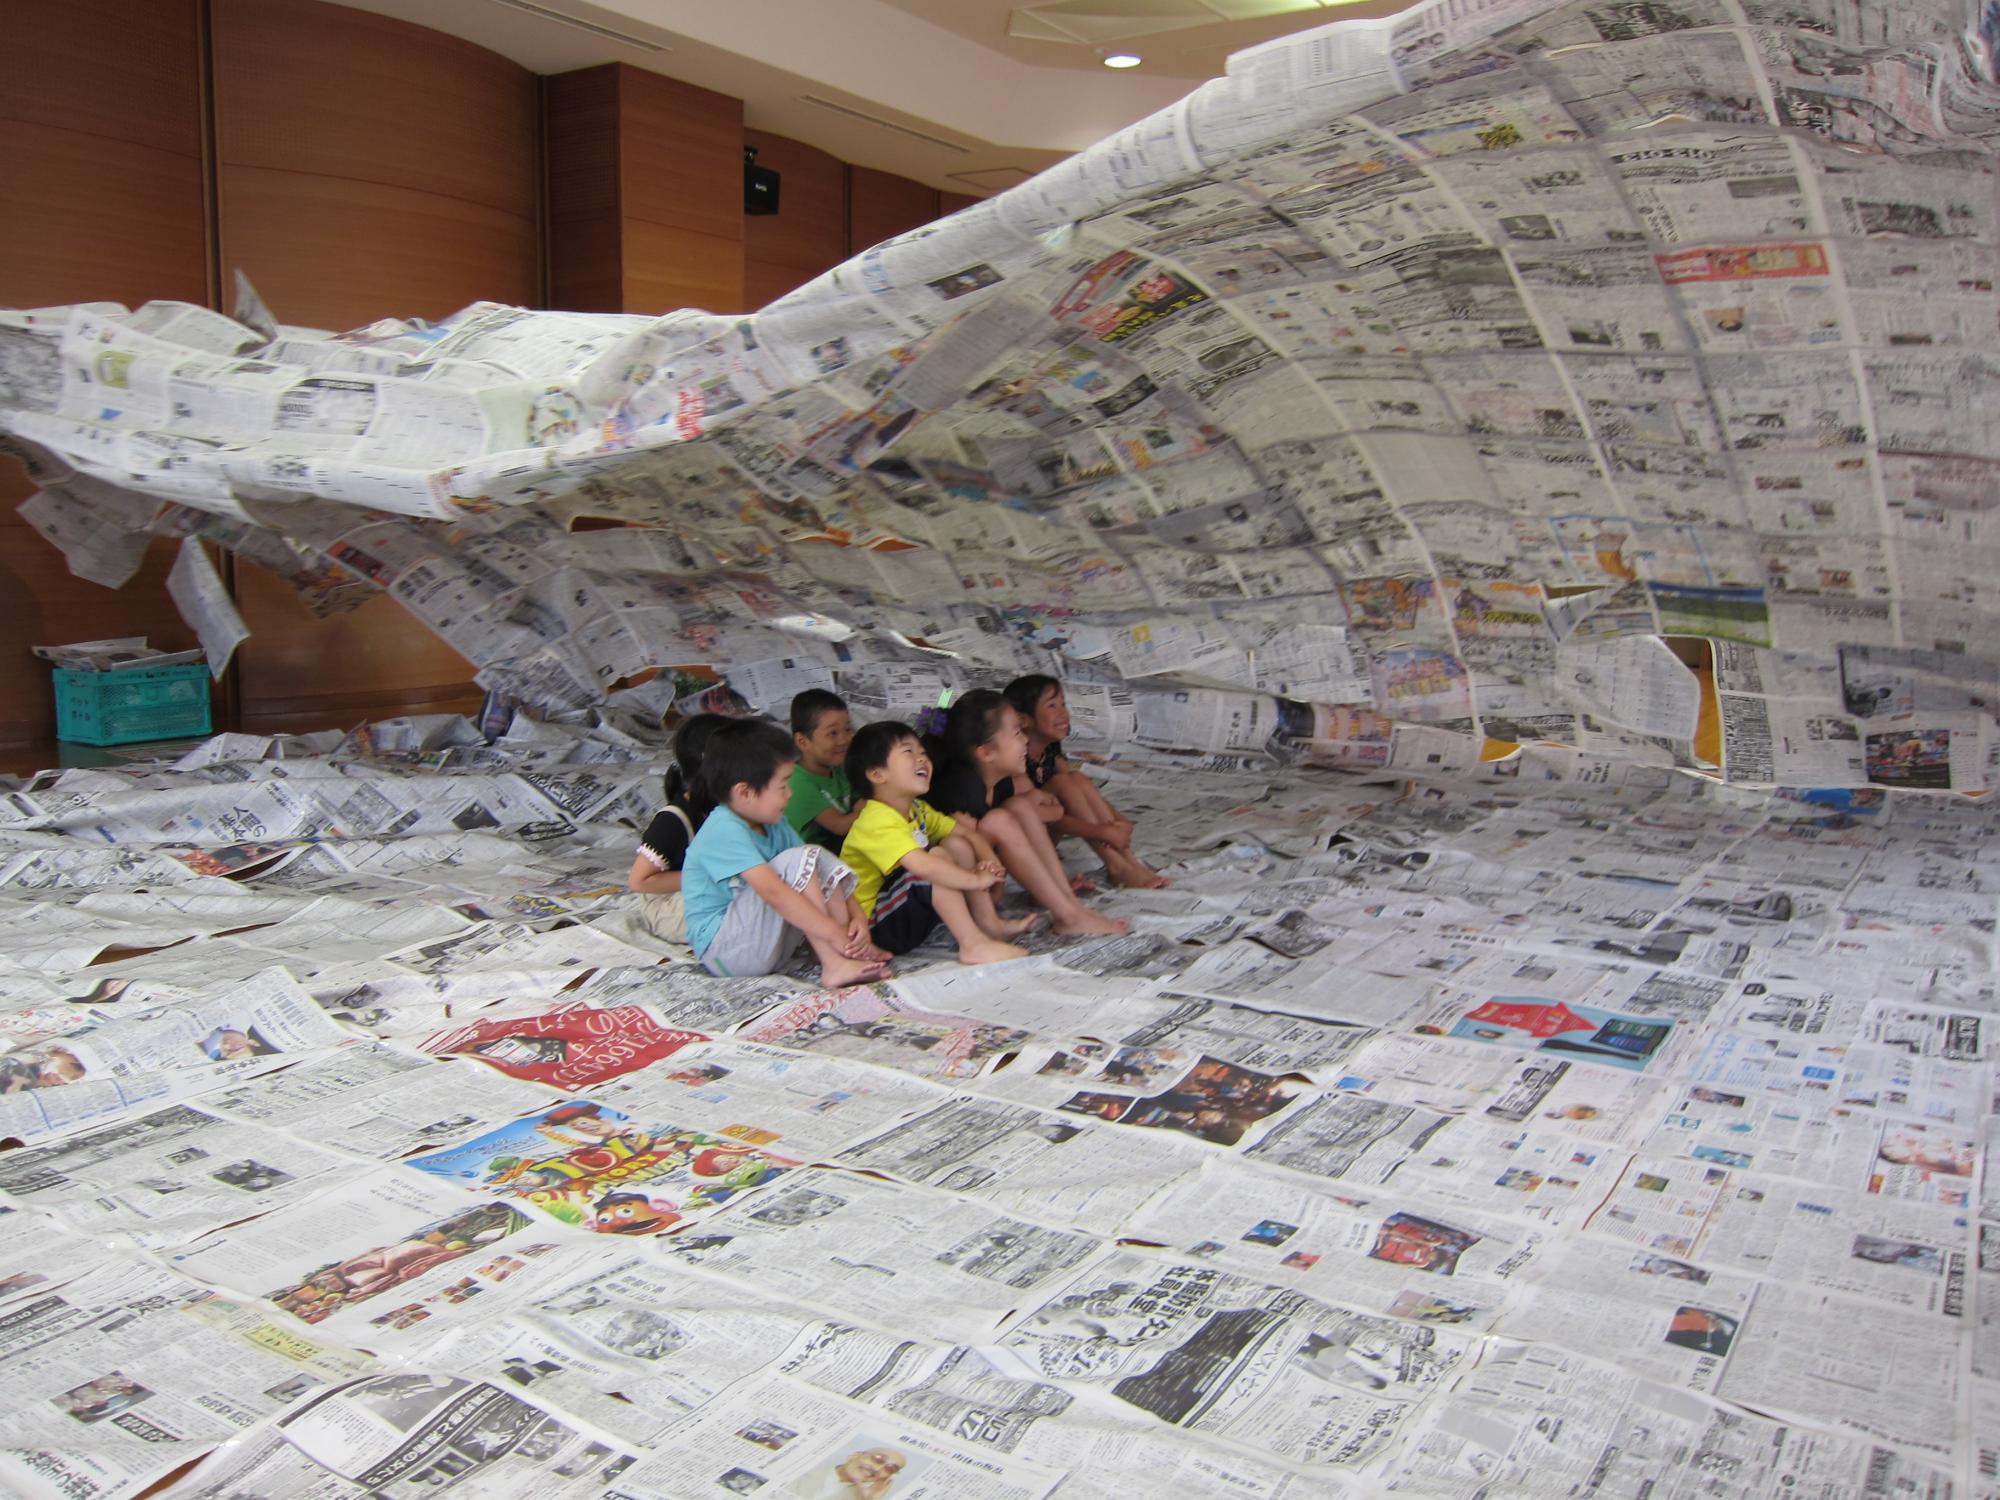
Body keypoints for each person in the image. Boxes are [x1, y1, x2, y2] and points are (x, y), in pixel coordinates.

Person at [681, 718, 891, 985]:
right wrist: (833, 932)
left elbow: (815, 864)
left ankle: (846, 953)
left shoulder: (775, 823)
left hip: (764, 944)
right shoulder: (723, 828)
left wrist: (857, 918)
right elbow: (774, 893)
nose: (790, 794)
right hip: (725, 952)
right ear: (745, 792)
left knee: (814, 856)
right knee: (798, 860)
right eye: (782, 785)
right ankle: (834, 961)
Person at [924, 691, 1127, 937]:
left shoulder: (1003, 781)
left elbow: (1049, 811)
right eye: (1017, 733)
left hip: (987, 878)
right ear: (986, 753)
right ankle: (1067, 914)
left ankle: (1068, 905)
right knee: (1000, 820)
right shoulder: (960, 789)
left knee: (1018, 808)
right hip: (954, 892)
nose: (1025, 741)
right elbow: (964, 851)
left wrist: (1037, 804)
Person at [840, 721, 1037, 966]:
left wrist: (991, 862)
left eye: (922, 752)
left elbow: (966, 834)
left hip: (900, 913)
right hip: (874, 928)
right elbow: (923, 867)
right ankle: (973, 945)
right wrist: (976, 880)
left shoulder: (917, 809)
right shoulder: (876, 820)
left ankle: (989, 925)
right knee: (935, 861)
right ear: (877, 775)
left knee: (956, 845)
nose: (922, 759)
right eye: (908, 752)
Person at [1003, 674, 1167, 888]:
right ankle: (1116, 866)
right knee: (1063, 783)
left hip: (1046, 829)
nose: (1063, 713)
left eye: (1063, 704)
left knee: (1076, 778)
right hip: (1022, 840)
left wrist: (1119, 821)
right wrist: (1102, 832)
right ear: (1023, 720)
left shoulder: (1050, 748)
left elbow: (1080, 790)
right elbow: (1039, 815)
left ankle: (1128, 861)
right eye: (1052, 706)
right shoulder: (1014, 758)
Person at [627, 712, 730, 944]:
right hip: (669, 907)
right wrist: (708, 877)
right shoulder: (674, 819)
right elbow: (639, 880)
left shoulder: (714, 807)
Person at [786, 689, 858, 853]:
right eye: (832, 733)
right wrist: (877, 810)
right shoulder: (797, 783)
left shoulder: (839, 766)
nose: (844, 740)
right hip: (809, 858)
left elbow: (861, 800)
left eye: (847, 729)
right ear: (802, 741)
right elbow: (840, 826)